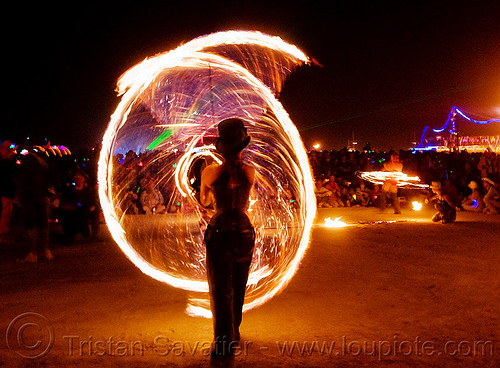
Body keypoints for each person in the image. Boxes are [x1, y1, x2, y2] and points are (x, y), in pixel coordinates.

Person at [200, 118, 255, 359]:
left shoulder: (210, 172)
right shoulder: (251, 172)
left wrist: (207, 190)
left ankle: (223, 346)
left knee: (221, 290)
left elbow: (205, 202)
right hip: (243, 232)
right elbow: (247, 200)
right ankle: (235, 332)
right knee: (238, 287)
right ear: (242, 147)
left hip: (220, 233)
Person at [15, 152, 54, 262]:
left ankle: (33, 253)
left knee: (32, 225)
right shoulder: (42, 163)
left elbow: (23, 181)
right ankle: (46, 251)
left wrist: (21, 196)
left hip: (29, 197)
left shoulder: (27, 162)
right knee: (43, 224)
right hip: (41, 195)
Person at [0, 141, 17, 242]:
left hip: (5, 191)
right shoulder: (6, 163)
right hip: (6, 192)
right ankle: (2, 234)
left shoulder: (4, 162)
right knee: (5, 213)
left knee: (6, 212)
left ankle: (3, 232)